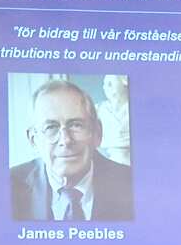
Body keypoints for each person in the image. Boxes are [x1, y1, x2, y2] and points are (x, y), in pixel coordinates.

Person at [10, 79, 134, 221]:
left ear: (97, 133)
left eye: (76, 125)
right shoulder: (9, 186)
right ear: (33, 140)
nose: (66, 140)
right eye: (51, 127)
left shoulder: (132, 183)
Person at [96, 74, 130, 165]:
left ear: (125, 82)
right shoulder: (99, 108)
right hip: (109, 161)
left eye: (110, 83)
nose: (105, 87)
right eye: (104, 84)